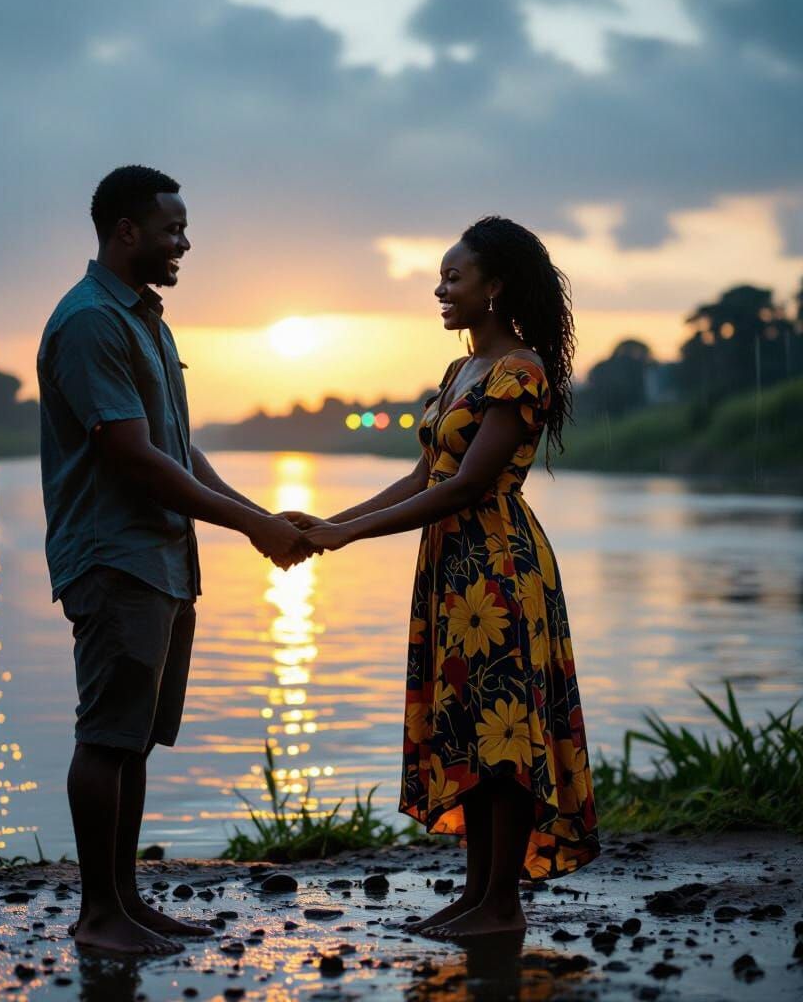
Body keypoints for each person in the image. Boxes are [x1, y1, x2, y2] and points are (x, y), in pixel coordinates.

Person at [295, 216, 600, 939]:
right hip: (451, 572)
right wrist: (328, 524)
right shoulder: (457, 373)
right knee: (468, 729)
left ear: (494, 287)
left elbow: (466, 485)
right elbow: (418, 476)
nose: (439, 289)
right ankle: (475, 896)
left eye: (453, 277)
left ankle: (503, 903)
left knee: (503, 735)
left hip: (497, 570)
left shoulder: (519, 370)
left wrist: (345, 534)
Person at [37, 165, 312, 957]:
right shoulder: (90, 321)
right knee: (106, 737)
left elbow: (177, 449)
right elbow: (134, 459)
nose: (184, 243)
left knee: (137, 738)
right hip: (116, 558)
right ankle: (98, 917)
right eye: (172, 229)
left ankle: (127, 901)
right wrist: (254, 528)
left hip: (162, 558)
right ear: (127, 231)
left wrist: (256, 517)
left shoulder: (147, 321)